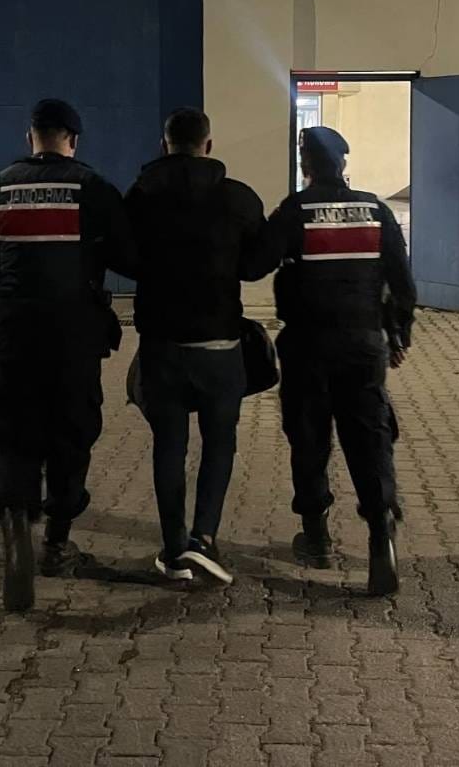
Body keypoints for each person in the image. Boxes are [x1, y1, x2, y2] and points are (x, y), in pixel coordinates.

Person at [0, 99, 135, 612]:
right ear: (73, 139)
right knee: (72, 428)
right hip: (74, 334)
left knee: (11, 425)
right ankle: (57, 540)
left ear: (30, 136)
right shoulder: (92, 188)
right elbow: (130, 255)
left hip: (12, 332)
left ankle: (15, 521)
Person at [259, 125, 415, 595]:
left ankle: (317, 536)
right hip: (363, 345)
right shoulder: (375, 209)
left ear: (305, 164)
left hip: (307, 345)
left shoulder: (294, 210)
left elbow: (255, 262)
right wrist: (398, 333)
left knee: (308, 436)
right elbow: (403, 283)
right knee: (370, 438)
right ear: (343, 164)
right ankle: (380, 534)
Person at [124, 108, 269, 585]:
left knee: (169, 444)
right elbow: (256, 265)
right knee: (219, 442)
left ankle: (173, 548)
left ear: (164, 143)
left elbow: (122, 255)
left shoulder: (140, 196)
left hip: (162, 344)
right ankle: (204, 538)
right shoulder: (238, 197)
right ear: (208, 144)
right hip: (219, 345)